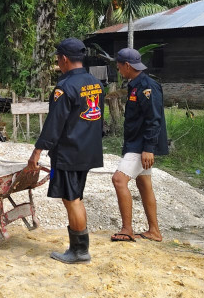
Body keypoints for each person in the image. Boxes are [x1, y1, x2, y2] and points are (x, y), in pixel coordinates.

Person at [28, 38, 104, 263]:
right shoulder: (95, 83)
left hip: (70, 151)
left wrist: (38, 151)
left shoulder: (65, 87)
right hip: (88, 150)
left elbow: (55, 123)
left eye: (58, 59)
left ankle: (80, 251)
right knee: (76, 197)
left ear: (64, 59)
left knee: (72, 200)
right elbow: (98, 119)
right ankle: (78, 248)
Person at [111, 48, 168, 243]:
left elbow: (154, 119)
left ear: (127, 66)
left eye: (119, 67)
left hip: (141, 145)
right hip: (135, 142)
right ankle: (154, 231)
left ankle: (127, 228)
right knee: (144, 184)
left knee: (119, 180)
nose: (118, 71)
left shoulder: (147, 86)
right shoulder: (135, 85)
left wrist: (149, 148)